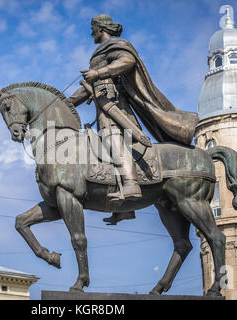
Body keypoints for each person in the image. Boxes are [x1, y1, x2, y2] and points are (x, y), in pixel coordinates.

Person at [66, 14, 199, 224]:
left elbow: (127, 62)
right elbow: (88, 89)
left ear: (101, 28)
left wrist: (99, 72)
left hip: (116, 106)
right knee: (100, 149)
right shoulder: (100, 51)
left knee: (112, 140)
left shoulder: (117, 45)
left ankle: (131, 183)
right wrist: (65, 103)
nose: (91, 33)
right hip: (103, 104)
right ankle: (124, 208)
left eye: (93, 28)